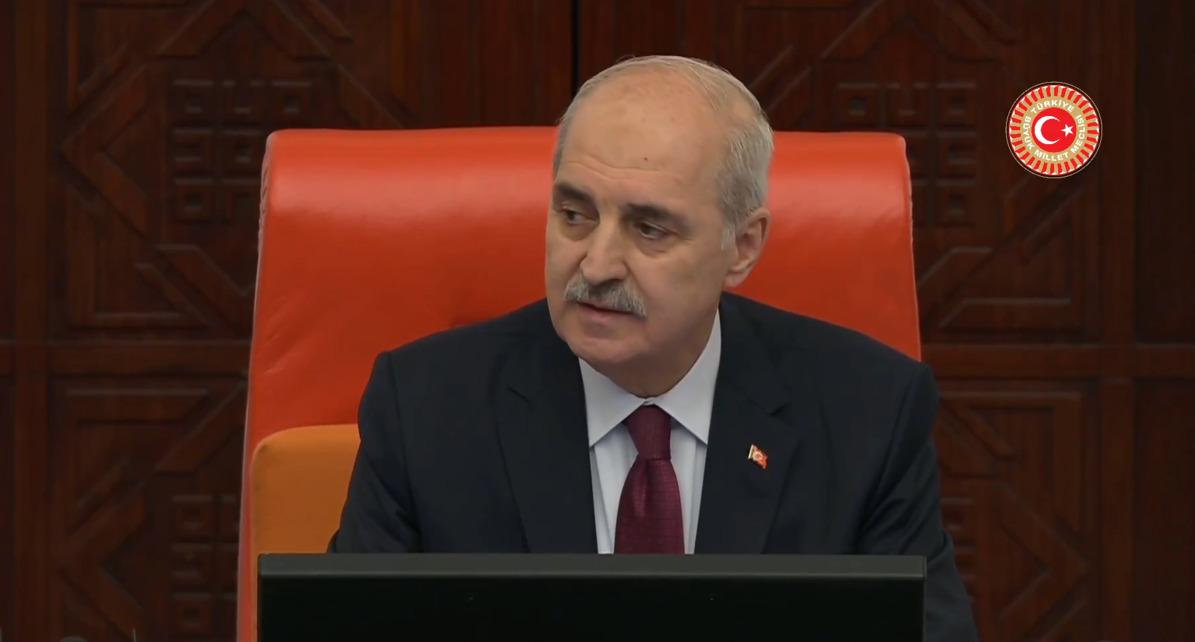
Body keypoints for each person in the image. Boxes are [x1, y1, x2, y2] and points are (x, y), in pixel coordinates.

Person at [330, 55, 978, 641]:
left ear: (742, 247)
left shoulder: (870, 413)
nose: (597, 264)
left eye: (649, 229)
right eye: (575, 215)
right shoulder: (425, 408)